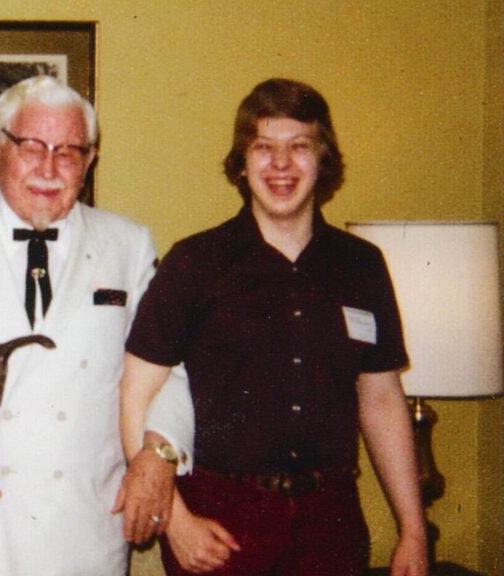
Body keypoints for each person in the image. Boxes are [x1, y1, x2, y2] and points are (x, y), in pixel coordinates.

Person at [120, 78, 428, 575]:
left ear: (322, 160)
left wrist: (412, 531)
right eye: (263, 148)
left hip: (332, 526)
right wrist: (175, 520)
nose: (280, 165)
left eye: (298, 147)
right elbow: (137, 392)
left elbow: (381, 400)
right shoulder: (195, 263)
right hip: (220, 524)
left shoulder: (362, 266)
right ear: (242, 163)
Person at [0, 75, 194, 576]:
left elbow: (171, 369)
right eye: (31, 147)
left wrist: (159, 454)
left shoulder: (128, 244)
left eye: (69, 152)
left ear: (90, 161)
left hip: (82, 533)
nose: (49, 170)